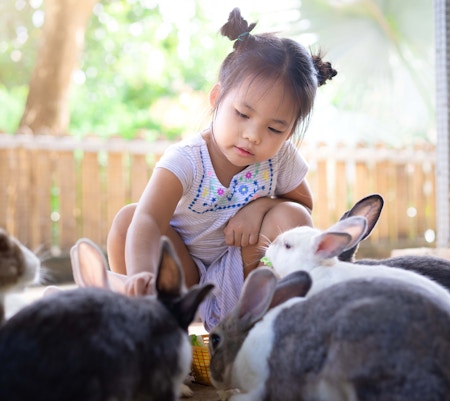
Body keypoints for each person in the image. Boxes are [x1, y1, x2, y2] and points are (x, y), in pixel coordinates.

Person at [85, 8, 337, 331]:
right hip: (182, 277)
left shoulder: (280, 158)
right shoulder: (187, 159)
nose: (254, 135)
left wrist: (261, 207)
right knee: (128, 221)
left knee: (292, 218)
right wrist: (143, 276)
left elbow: (304, 209)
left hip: (242, 275)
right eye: (243, 114)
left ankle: (260, 323)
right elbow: (148, 220)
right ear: (217, 97)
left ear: (289, 133)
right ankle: (145, 315)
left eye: (275, 129)